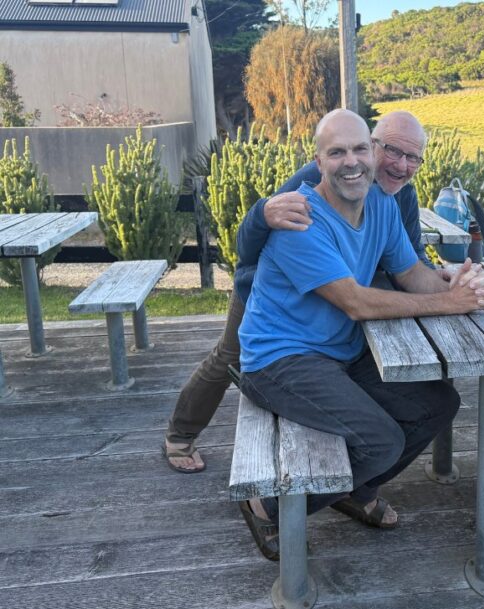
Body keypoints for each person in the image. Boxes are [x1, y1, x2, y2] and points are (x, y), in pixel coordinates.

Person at [235, 109, 484, 561]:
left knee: (439, 403)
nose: (351, 162)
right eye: (337, 152)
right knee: (380, 440)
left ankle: (354, 489)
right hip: (279, 360)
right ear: (319, 161)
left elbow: (410, 271)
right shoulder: (300, 219)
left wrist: (455, 284)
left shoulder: (383, 205)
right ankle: (266, 504)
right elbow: (356, 301)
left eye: (358, 149)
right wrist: (446, 303)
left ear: (371, 156)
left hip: (340, 350)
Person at [162, 110, 439, 528]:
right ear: (372, 145)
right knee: (226, 359)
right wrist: (260, 217)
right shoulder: (314, 187)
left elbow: (410, 260)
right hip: (263, 293)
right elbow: (253, 236)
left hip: (329, 313)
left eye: (412, 157)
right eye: (392, 151)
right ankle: (182, 438)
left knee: (432, 401)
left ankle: (353, 489)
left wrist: (446, 283)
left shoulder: (393, 195)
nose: (400, 164)